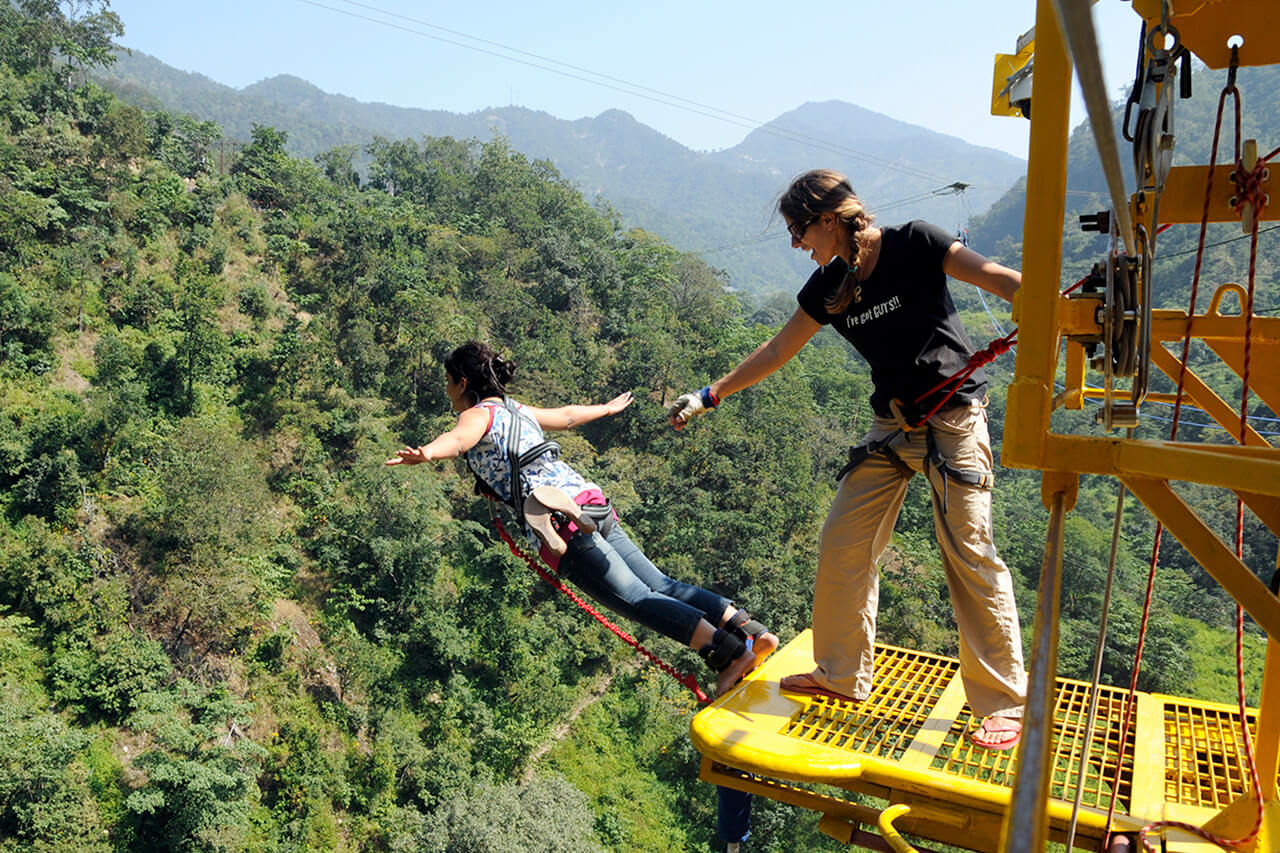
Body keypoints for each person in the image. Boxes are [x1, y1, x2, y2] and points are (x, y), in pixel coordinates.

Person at [667, 169, 1027, 750]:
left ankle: (1005, 701)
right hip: (892, 424)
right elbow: (779, 348)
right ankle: (842, 674)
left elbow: (995, 277)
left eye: (798, 230)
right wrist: (711, 395)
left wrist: (1044, 304)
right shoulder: (829, 287)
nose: (795, 245)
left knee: (968, 551)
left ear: (829, 219)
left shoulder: (916, 242)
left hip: (954, 418)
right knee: (843, 543)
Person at [387, 341, 778, 697]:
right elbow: (569, 416)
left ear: (462, 382)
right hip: (589, 500)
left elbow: (457, 441)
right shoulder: (516, 409)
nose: (447, 391)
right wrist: (605, 409)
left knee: (640, 599)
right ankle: (752, 634)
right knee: (661, 583)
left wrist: (427, 453)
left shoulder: (477, 415)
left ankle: (729, 656)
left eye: (447, 382)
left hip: (558, 521)